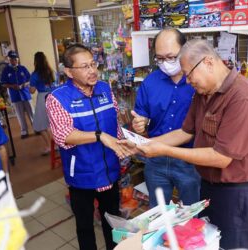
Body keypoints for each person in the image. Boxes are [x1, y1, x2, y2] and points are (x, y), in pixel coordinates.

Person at [121, 39, 248, 249]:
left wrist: (164, 150)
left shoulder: (242, 97)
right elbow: (185, 132)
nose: (188, 81)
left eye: (189, 74)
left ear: (208, 62)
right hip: (209, 186)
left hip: (236, 193)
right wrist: (143, 144)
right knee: (207, 241)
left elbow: (222, 157)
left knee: (233, 245)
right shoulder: (204, 93)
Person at [45, 44, 131, 250]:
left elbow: (114, 122)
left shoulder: (104, 88)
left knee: (113, 222)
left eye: (93, 64)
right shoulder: (57, 98)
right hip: (82, 175)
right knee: (85, 227)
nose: (92, 70)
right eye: (84, 67)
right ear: (68, 71)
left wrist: (125, 145)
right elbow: (63, 135)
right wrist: (100, 136)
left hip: (110, 170)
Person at [131, 28, 200, 208]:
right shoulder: (150, 82)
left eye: (171, 57)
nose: (166, 63)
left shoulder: (198, 81)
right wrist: (140, 124)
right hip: (156, 159)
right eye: (160, 58)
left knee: (193, 213)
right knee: (158, 213)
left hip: (190, 159)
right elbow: (142, 117)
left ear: (184, 49)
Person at [0, 50, 33, 139]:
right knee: (19, 114)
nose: (14, 60)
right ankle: (24, 131)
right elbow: (3, 83)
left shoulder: (23, 68)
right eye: (12, 59)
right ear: (9, 59)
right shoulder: (6, 70)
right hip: (15, 95)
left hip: (26, 94)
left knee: (31, 113)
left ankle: (36, 128)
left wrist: (23, 85)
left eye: (15, 58)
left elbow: (30, 80)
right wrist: (12, 86)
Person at [29, 52, 55, 156]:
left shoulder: (35, 74)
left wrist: (29, 85)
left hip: (42, 98)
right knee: (51, 123)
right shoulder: (51, 71)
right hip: (53, 96)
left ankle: (49, 146)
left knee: (39, 125)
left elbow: (32, 91)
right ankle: (56, 145)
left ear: (35, 61)